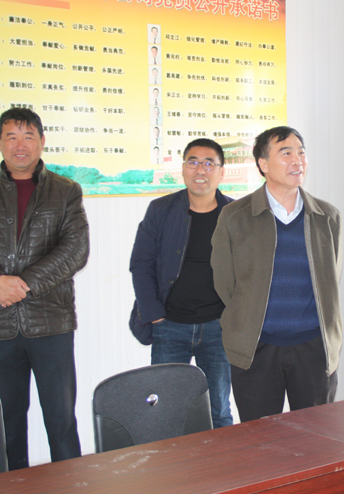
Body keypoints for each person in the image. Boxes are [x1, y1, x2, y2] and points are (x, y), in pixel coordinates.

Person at [0, 108, 89, 469]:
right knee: (6, 424)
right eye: (11, 137)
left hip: (51, 322)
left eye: (28, 137)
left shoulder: (66, 191)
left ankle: (71, 485)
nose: (20, 145)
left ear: (42, 141)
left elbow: (76, 250)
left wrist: (24, 284)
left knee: (61, 420)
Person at [211, 126, 343, 422]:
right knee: (259, 440)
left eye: (301, 153)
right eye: (286, 153)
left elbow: (330, 278)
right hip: (256, 350)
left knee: (317, 437)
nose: (297, 160)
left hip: (314, 349)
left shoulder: (327, 217)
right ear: (263, 164)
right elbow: (225, 284)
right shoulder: (235, 217)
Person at [130, 138, 234, 428]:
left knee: (219, 410)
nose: (200, 169)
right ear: (183, 168)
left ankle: (220, 460)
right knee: (166, 412)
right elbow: (141, 264)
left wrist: (235, 318)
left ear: (221, 172)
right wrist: (154, 314)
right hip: (170, 325)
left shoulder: (234, 214)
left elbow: (249, 271)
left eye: (209, 163)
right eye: (193, 162)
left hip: (218, 328)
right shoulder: (161, 210)